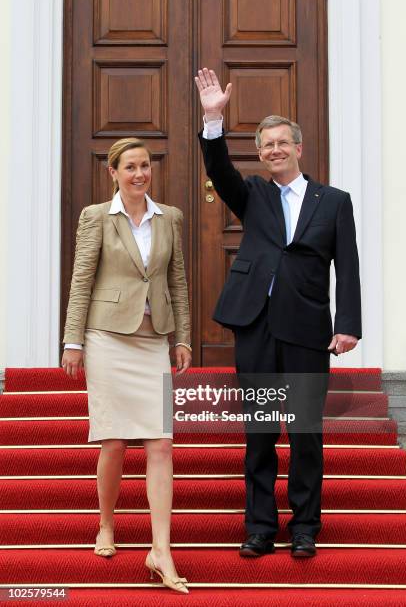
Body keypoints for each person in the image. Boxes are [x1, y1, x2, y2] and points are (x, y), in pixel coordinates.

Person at [195, 69, 361, 558]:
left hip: (308, 329)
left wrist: (347, 324)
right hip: (258, 327)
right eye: (265, 145)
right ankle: (260, 527)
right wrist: (212, 120)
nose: (273, 151)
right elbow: (219, 169)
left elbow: (347, 267)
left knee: (306, 432)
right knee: (261, 432)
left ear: (298, 148)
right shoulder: (253, 194)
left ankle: (306, 525)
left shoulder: (334, 202)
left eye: (281, 143)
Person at [61, 137, 191, 593]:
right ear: (113, 173)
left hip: (153, 339)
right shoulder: (97, 217)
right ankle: (107, 523)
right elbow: (81, 280)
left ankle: (160, 550)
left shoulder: (169, 217)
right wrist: (73, 341)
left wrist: (184, 338)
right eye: (130, 167)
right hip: (106, 337)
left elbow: (177, 280)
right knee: (113, 440)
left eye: (145, 166)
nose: (140, 174)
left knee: (161, 443)